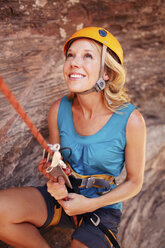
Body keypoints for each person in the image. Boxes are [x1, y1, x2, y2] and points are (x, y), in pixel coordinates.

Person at [0, 27, 146, 248]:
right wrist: (55, 183)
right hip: (65, 197)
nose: (74, 62)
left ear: (107, 73)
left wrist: (90, 204)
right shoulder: (58, 110)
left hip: (102, 208)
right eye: (71, 55)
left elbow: (135, 182)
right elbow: (55, 161)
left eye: (88, 55)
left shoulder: (131, 120)